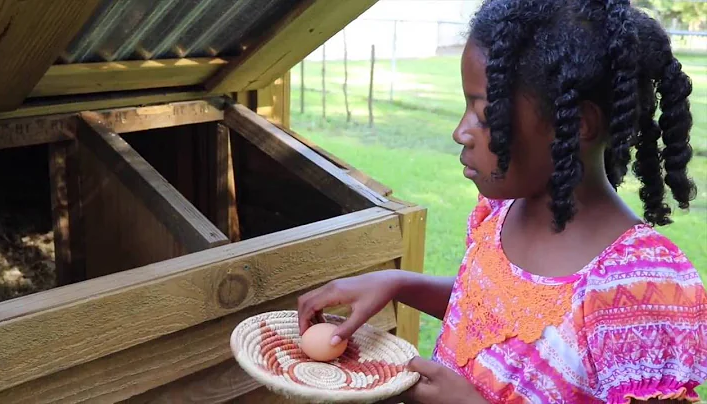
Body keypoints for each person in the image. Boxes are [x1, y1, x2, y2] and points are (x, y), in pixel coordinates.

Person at [297, 0, 707, 402]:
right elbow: (493, 314)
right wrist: (399, 283)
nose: (461, 132)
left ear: (578, 124)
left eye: (486, 116)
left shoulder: (640, 290)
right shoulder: (503, 212)